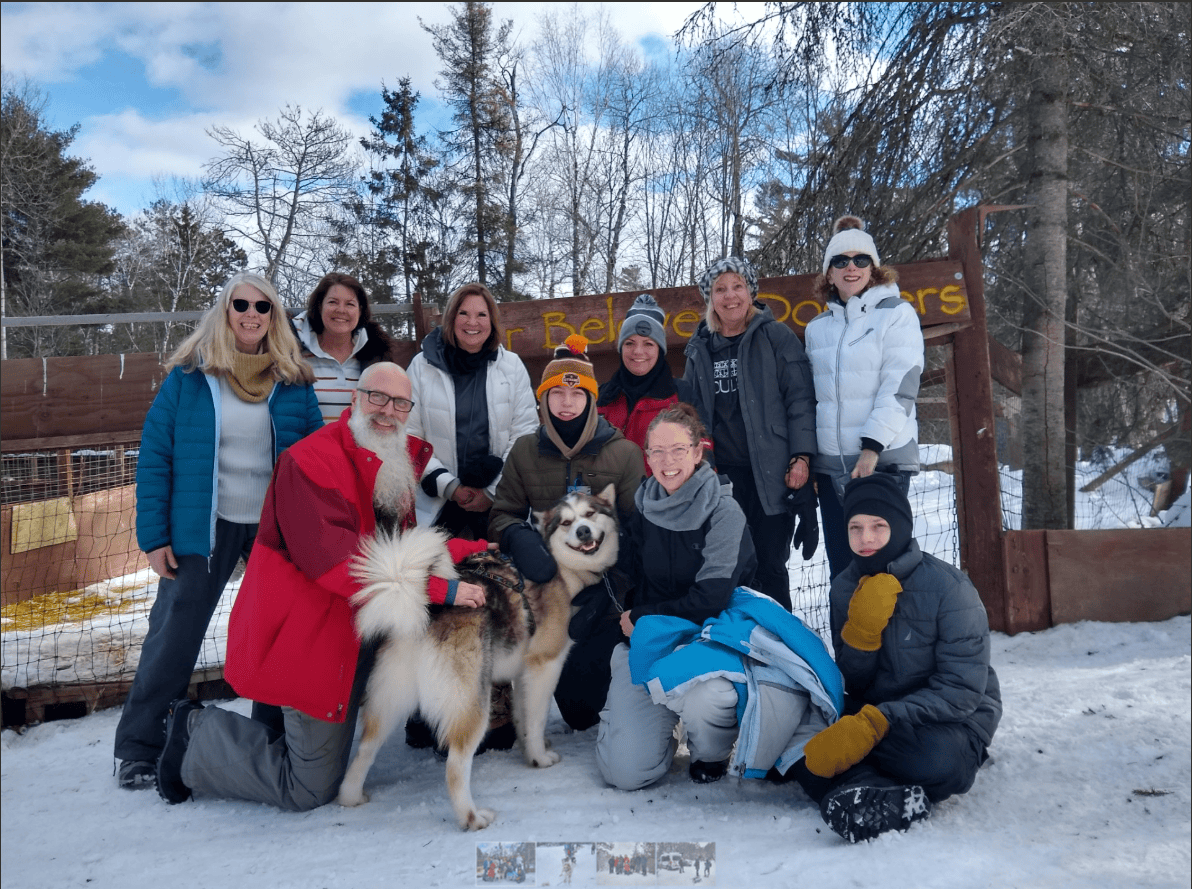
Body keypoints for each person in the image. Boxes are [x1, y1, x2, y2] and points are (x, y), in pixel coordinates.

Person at [152, 363, 490, 809]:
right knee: (308, 787)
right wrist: (442, 591)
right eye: (377, 397)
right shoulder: (310, 463)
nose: (388, 411)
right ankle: (194, 733)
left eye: (400, 403)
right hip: (310, 634)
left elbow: (402, 547)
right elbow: (343, 567)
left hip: (357, 622)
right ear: (354, 399)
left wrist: (476, 548)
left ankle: (292, 721)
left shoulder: (395, 460)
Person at [113, 272, 323, 790]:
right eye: (241, 305)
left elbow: (317, 460)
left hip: (274, 529)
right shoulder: (189, 377)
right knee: (174, 633)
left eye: (263, 307)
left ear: (275, 317)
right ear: (225, 311)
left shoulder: (294, 382)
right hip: (203, 527)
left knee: (275, 632)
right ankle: (140, 747)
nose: (251, 314)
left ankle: (268, 734)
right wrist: (155, 536)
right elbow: (156, 457)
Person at [789, 472, 1002, 842]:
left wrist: (877, 723)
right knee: (803, 754)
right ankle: (877, 797)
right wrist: (861, 635)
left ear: (900, 526)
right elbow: (854, 682)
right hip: (877, 713)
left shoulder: (950, 589)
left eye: (878, 526)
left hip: (948, 720)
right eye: (854, 527)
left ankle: (860, 781)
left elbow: (962, 691)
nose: (865, 538)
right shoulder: (844, 587)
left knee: (939, 760)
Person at [489, 334, 644, 730]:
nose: (566, 401)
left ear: (591, 398)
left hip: (603, 599)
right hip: (545, 592)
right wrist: (520, 538)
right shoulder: (525, 451)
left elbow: (638, 530)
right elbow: (502, 513)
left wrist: (611, 588)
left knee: (584, 713)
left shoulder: (623, 453)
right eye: (556, 392)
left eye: (576, 393)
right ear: (543, 399)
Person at [683, 256, 818, 611]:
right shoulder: (700, 348)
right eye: (720, 289)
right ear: (710, 299)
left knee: (771, 566)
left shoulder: (775, 336)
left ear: (751, 291)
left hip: (773, 474)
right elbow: (693, 416)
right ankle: (739, 650)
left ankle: (781, 649)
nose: (730, 296)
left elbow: (800, 399)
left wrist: (801, 456)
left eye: (737, 286)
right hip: (723, 478)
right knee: (730, 567)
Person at [804, 216, 925, 578]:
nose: (851, 267)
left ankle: (895, 636)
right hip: (831, 469)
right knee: (843, 568)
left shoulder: (896, 315)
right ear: (829, 273)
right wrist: (810, 458)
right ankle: (845, 637)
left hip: (882, 461)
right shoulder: (817, 329)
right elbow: (813, 398)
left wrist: (872, 448)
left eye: (860, 260)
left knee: (884, 566)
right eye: (840, 261)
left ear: (874, 269)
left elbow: (901, 385)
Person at [406, 282, 538, 538]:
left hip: (498, 501)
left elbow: (524, 435)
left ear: (492, 321)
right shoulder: (422, 367)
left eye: (481, 315)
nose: (472, 322)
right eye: (463, 313)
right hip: (437, 502)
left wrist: (491, 492)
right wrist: (450, 487)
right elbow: (410, 436)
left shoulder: (511, 366)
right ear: (451, 317)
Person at [292, 272, 403, 425]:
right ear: (319, 306)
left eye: (350, 304)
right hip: (306, 447)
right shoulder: (293, 355)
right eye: (333, 302)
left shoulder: (376, 357)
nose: (341, 310)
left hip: (359, 448)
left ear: (360, 310)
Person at [596, 292, 695, 464]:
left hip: (664, 489)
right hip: (610, 490)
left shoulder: (682, 394)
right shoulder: (602, 397)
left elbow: (702, 454)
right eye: (629, 343)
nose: (638, 352)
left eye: (648, 343)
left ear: (660, 350)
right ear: (621, 348)